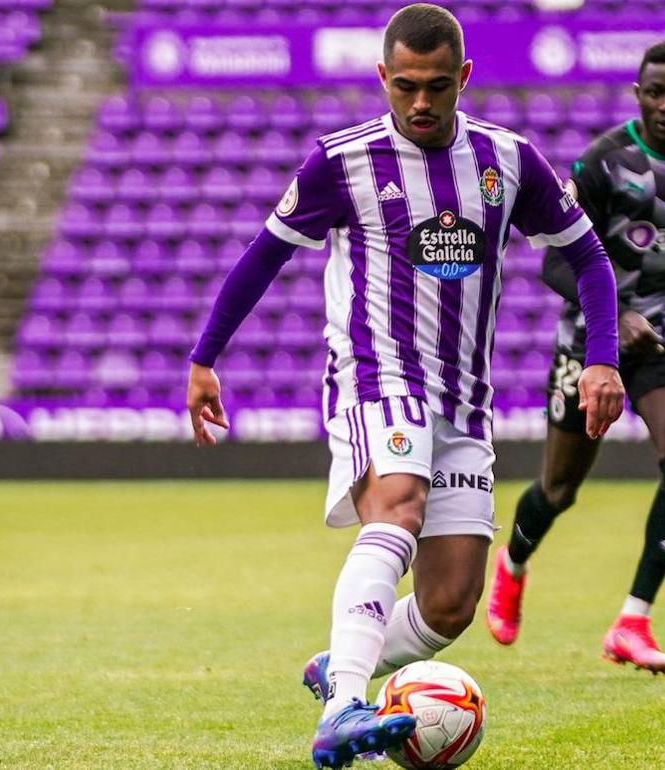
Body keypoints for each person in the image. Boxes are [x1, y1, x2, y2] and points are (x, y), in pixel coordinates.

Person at [185, 5, 626, 767]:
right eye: (405, 87)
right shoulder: (341, 161)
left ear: (464, 78)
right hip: (375, 376)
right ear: (383, 78)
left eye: (436, 87)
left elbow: (587, 256)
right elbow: (263, 255)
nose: (420, 103)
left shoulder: (508, 159)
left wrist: (603, 356)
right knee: (398, 505)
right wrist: (204, 356)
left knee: (452, 602)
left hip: (464, 399)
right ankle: (346, 709)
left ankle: (340, 663)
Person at [486, 41, 665, 674]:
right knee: (559, 488)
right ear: (638, 95)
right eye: (656, 92)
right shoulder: (604, 162)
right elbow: (558, 258)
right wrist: (616, 315)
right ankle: (512, 566)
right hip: (592, 342)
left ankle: (633, 619)